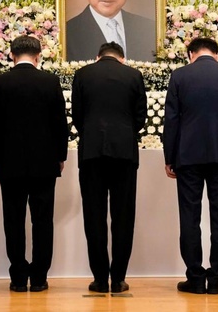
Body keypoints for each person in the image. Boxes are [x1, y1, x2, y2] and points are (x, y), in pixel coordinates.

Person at [163, 37, 218, 295]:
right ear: (217, 54)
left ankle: (195, 277)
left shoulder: (179, 76)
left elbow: (171, 120)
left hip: (188, 156)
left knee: (190, 216)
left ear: (191, 54)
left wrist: (169, 157)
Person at [0, 36, 69, 293]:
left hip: (9, 163)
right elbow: (60, 124)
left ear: (12, 55)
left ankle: (19, 277)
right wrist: (60, 156)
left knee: (13, 220)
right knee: (43, 221)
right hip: (44, 162)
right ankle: (40, 277)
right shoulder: (49, 82)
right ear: (38, 56)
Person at [71, 42, 147, 293]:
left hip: (91, 152)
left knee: (94, 216)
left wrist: (92, 133)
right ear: (122, 59)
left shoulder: (82, 75)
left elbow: (78, 115)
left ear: (98, 57)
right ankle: (118, 278)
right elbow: (140, 117)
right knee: (123, 216)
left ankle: (100, 278)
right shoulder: (133, 75)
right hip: (124, 152)